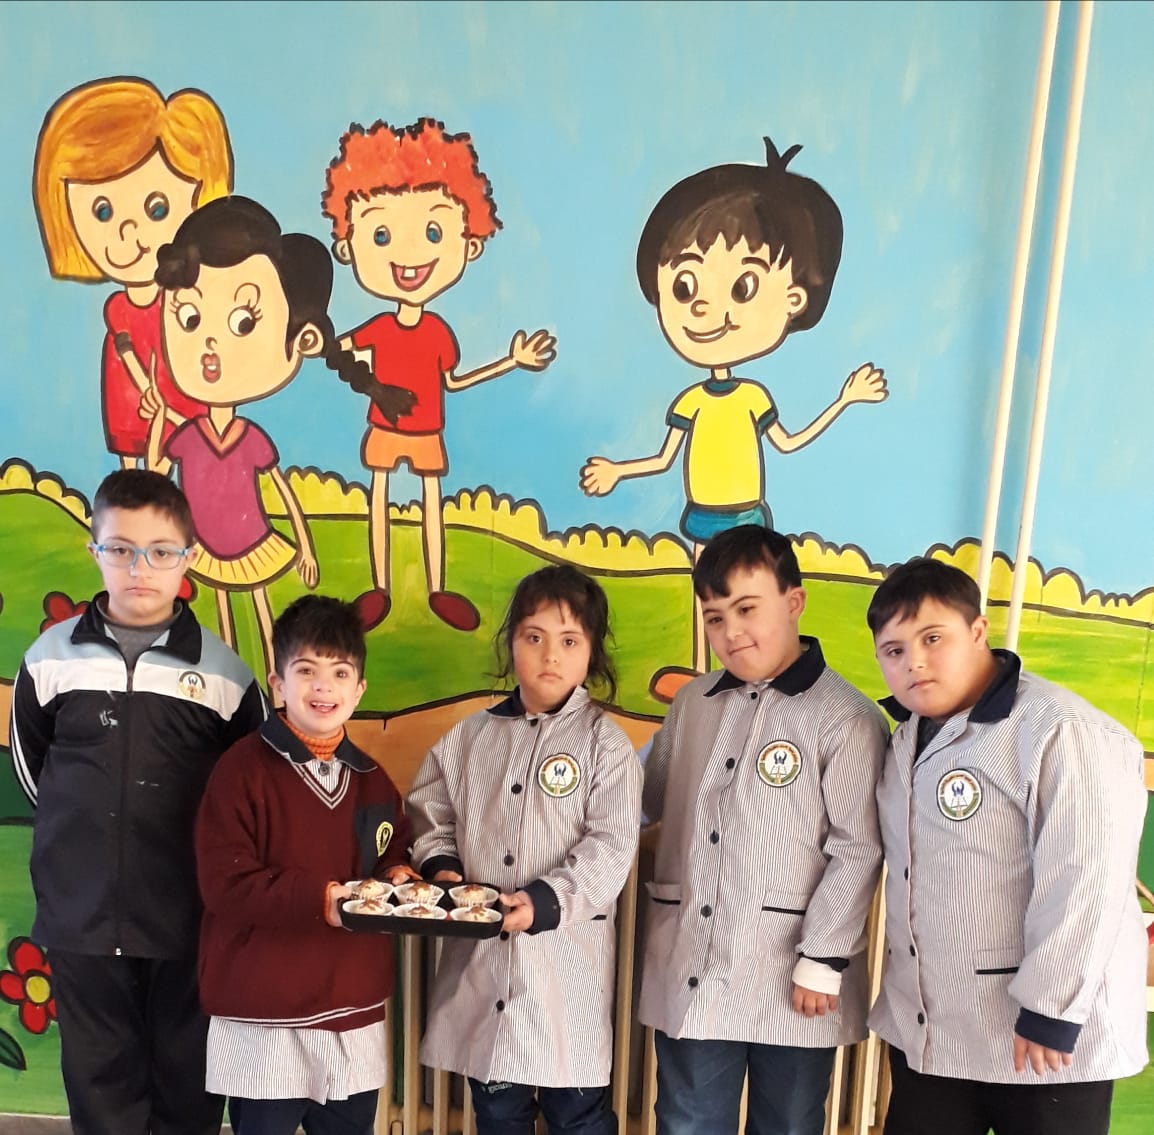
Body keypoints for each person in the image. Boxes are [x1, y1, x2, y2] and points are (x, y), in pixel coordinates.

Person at [580, 137, 887, 697]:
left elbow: (787, 442)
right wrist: (618, 471)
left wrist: (844, 400)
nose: (702, 307)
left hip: (746, 514)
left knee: (749, 597)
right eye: (684, 285)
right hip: (702, 513)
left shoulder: (752, 398)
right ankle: (703, 674)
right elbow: (664, 458)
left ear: (794, 299)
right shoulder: (691, 401)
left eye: (742, 287)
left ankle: (758, 675)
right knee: (708, 594)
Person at [9, 468, 266, 1135]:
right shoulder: (49, 658)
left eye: (159, 551)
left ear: (189, 558)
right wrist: (82, 845)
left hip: (186, 914)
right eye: (120, 548)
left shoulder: (225, 674)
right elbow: (36, 773)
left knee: (188, 1079)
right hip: (81, 916)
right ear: (94, 550)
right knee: (99, 1084)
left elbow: (246, 794)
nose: (139, 568)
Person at [866, 557, 1149, 1135]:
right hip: (935, 1031)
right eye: (894, 650)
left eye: (933, 638)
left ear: (978, 631)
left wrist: (1050, 1009)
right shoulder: (907, 738)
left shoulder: (1064, 732)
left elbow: (1085, 880)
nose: (914, 661)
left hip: (1046, 1041)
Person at [638, 524, 889, 1135]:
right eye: (715, 617)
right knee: (686, 1118)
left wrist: (822, 957)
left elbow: (858, 848)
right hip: (694, 959)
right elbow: (645, 797)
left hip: (794, 974)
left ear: (794, 601)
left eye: (747, 609)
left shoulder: (848, 717)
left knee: (789, 1121)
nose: (731, 632)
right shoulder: (693, 703)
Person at [407, 565, 642, 1134]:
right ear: (511, 642)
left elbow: (611, 845)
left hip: (569, 975)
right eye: (534, 637)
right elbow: (430, 812)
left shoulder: (604, 744)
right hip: (483, 968)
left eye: (569, 641)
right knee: (497, 1111)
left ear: (592, 652)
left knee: (579, 1117)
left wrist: (544, 901)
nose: (550, 655)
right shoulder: (469, 738)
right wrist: (444, 871)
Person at [144, 195, 405, 678]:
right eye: (189, 318)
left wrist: (304, 546)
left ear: (301, 339)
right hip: (207, 545)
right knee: (223, 617)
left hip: (251, 541)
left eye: (243, 322)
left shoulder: (249, 438)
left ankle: (273, 682)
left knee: (266, 618)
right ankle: (225, 682)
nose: (209, 342)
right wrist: (159, 419)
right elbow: (156, 474)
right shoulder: (188, 434)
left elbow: (281, 491)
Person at [321, 117, 557, 632]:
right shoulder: (379, 327)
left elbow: (454, 381)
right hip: (385, 425)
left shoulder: (437, 333)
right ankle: (379, 586)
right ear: (348, 245)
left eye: (433, 231)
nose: (408, 254)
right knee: (379, 500)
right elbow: (337, 347)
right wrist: (325, 347)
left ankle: (437, 588)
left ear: (469, 243)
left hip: (427, 428)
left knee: (432, 504)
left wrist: (511, 361)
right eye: (381, 234)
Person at [194, 593, 414, 1135]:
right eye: (307, 670)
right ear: (278, 684)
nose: (323, 687)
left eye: (340, 673)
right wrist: (321, 899)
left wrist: (400, 877)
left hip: (352, 1010)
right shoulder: (240, 771)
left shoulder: (372, 780)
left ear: (359, 689)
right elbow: (225, 884)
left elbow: (392, 853)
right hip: (263, 1011)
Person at [33, 77, 233, 465]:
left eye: (157, 209)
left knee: (172, 455)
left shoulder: (186, 302)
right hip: (130, 389)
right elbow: (125, 353)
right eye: (102, 211)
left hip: (176, 387)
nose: (128, 231)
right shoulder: (118, 308)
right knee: (131, 454)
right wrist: (146, 389)